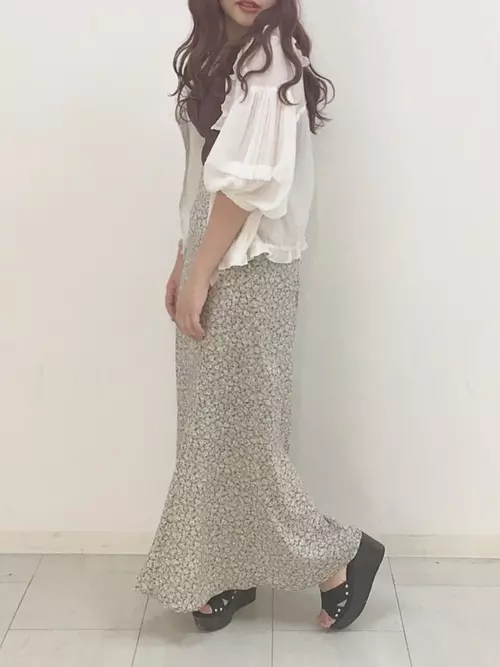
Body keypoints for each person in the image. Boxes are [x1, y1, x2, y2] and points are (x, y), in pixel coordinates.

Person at [136, 0, 385, 633]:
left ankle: (339, 558)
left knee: (246, 432)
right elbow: (202, 174)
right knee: (211, 428)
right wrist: (184, 258)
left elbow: (246, 186)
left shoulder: (271, 57)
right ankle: (228, 568)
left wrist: (201, 272)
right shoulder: (217, 56)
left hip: (250, 265)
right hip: (212, 247)